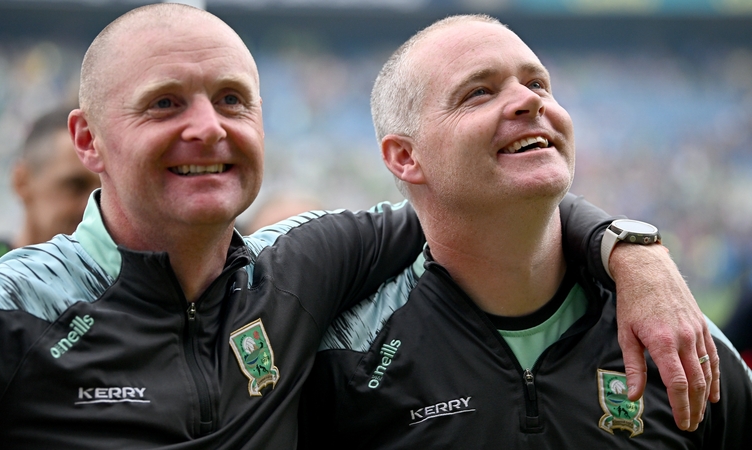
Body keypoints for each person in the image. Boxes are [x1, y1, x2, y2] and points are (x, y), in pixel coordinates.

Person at [0, 4, 720, 449]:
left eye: (231, 100)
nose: (207, 129)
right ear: (88, 142)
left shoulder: (301, 269)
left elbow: (481, 199)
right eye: (163, 104)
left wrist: (631, 248)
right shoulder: (5, 314)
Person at [298, 15, 752, 449]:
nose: (530, 100)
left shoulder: (680, 340)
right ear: (404, 157)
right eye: (478, 92)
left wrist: (636, 251)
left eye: (537, 83)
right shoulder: (343, 359)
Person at [0, 106, 100, 279]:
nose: (95, 204)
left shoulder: (119, 292)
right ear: (21, 182)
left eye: (104, 191)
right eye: (75, 185)